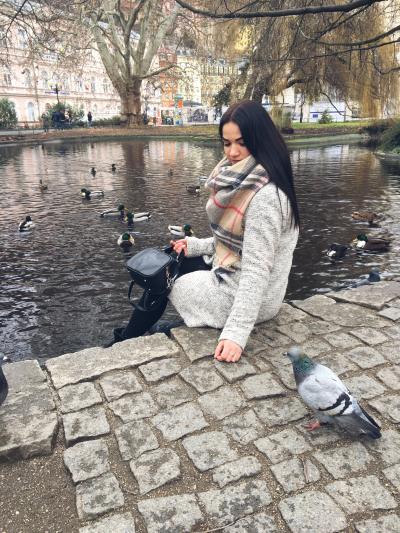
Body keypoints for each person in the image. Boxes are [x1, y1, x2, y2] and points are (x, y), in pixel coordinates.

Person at [106, 100, 300, 363]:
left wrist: (235, 334)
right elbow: (240, 243)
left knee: (164, 276)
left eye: (242, 143)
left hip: (250, 298)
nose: (232, 152)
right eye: (226, 143)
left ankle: (126, 340)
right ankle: (139, 333)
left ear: (260, 140)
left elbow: (257, 269)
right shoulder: (255, 178)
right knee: (174, 260)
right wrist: (195, 245)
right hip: (240, 278)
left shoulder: (264, 197)